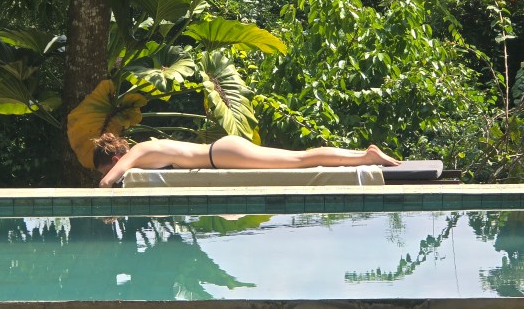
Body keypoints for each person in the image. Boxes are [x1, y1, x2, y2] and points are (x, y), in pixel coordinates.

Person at [93, 132, 399, 188]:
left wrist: (104, 199)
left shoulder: (136, 152)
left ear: (116, 156)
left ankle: (365, 156)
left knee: (300, 160)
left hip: (222, 154)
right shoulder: (146, 149)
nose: (116, 168)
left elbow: (109, 179)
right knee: (299, 159)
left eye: (110, 163)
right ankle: (363, 155)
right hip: (222, 153)